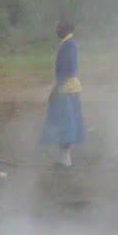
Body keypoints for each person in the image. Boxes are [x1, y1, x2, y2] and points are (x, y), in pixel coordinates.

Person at [39, 19, 84, 168]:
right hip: (67, 88)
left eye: (60, 27)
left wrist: (56, 89)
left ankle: (65, 160)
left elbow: (68, 70)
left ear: (67, 28)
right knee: (65, 123)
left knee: (64, 124)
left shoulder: (68, 45)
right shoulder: (67, 44)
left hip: (66, 89)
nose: (57, 29)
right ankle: (64, 159)